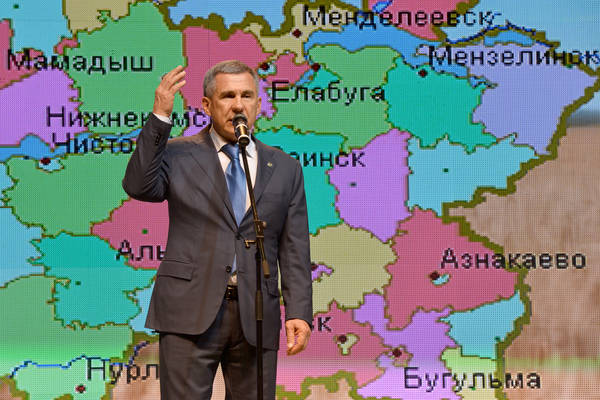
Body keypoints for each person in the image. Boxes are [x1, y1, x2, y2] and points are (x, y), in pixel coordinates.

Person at [122, 60, 313, 399]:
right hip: (189, 310)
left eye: (246, 96)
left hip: (256, 314)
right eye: (228, 96)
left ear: (258, 104)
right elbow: (139, 186)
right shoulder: (178, 154)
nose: (238, 105)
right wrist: (161, 116)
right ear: (207, 105)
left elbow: (294, 246)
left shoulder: (285, 167)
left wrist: (298, 311)